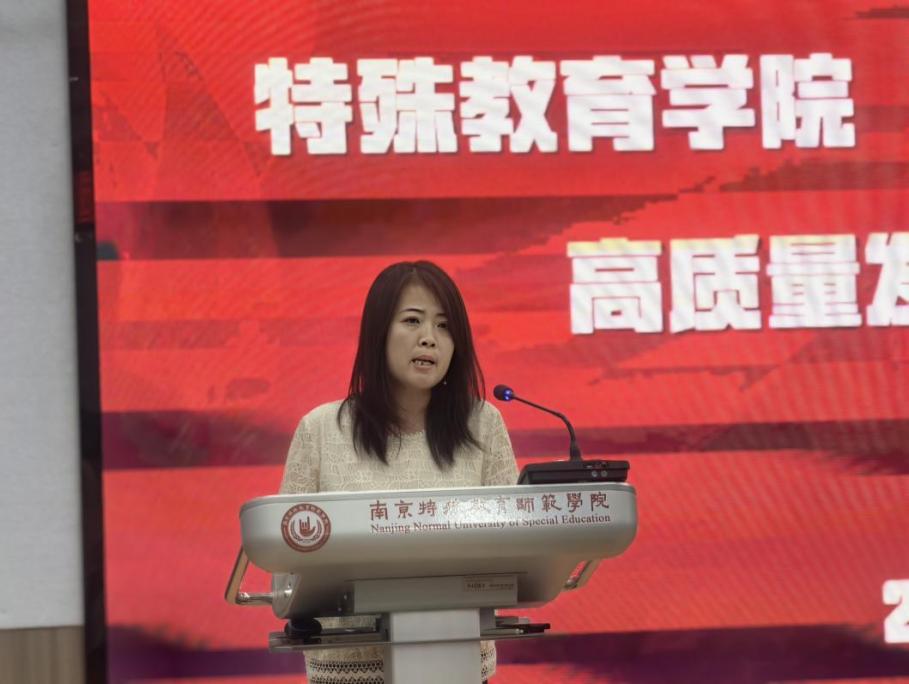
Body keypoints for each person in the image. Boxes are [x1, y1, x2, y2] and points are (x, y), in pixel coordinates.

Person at [279, 260, 519, 683]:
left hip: (459, 661)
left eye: (444, 326)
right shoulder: (321, 429)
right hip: (348, 668)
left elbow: (518, 545)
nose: (429, 338)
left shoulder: (484, 425)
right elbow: (287, 562)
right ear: (378, 332)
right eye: (412, 320)